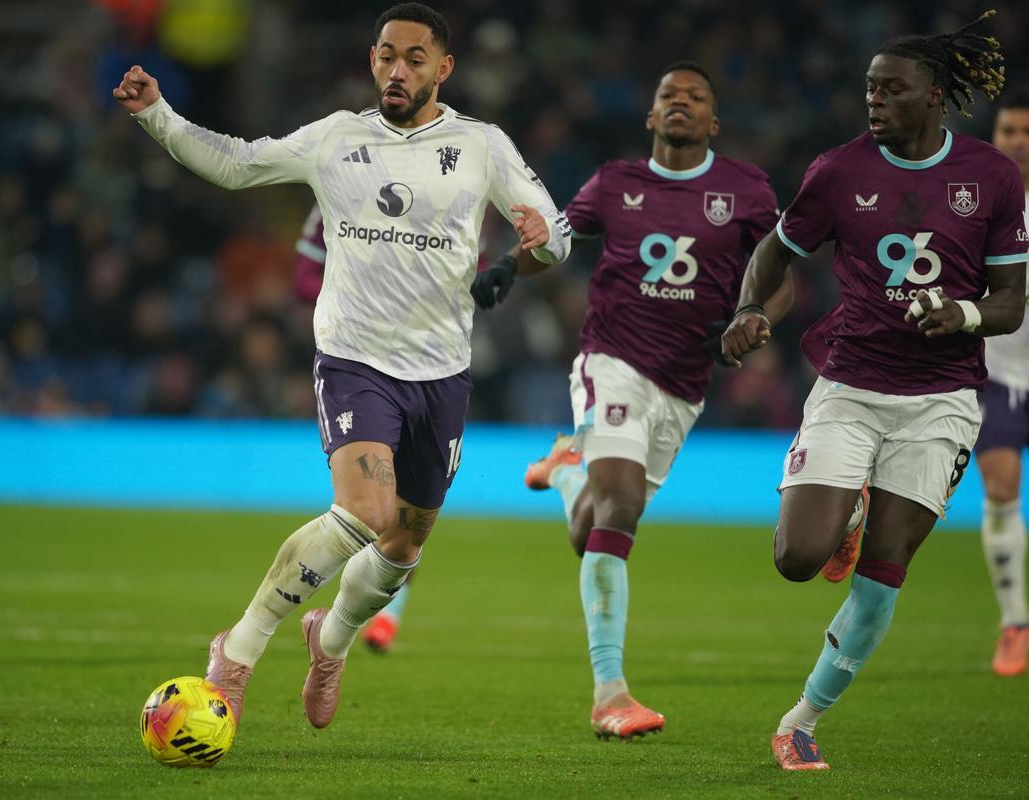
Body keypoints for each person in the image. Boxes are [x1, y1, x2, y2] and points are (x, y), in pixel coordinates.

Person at [113, 2, 571, 730]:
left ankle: (329, 643)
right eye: (386, 54)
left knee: (403, 547)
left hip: (442, 371)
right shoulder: (336, 138)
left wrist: (525, 255)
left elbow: (559, 234)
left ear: (443, 69)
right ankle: (235, 653)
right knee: (364, 512)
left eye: (414, 57)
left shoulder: (483, 147)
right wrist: (158, 116)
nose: (397, 68)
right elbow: (237, 164)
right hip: (356, 359)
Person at [721, 12, 1026, 770]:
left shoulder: (992, 176)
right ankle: (847, 501)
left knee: (884, 574)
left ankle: (800, 720)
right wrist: (752, 309)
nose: (875, 101)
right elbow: (776, 249)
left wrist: (959, 312)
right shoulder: (838, 171)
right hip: (851, 385)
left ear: (934, 98)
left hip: (943, 399)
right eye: (869, 89)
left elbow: (1012, 300)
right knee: (797, 558)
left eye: (892, 90)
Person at [474, 62, 795, 740]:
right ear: (650, 116)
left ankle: (564, 467)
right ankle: (610, 694)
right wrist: (509, 264)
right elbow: (559, 241)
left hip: (684, 385)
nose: (680, 103)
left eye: (695, 97)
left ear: (714, 121)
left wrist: (756, 316)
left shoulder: (745, 190)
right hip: (611, 362)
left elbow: (779, 271)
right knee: (618, 511)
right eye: (667, 96)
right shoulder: (615, 183)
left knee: (588, 527)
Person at [979, 90, 1029, 677]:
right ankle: (1015, 621)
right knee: (1000, 489)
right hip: (996, 375)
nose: (1017, 140)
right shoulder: (978, 206)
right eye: (1008, 129)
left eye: (1025, 131)